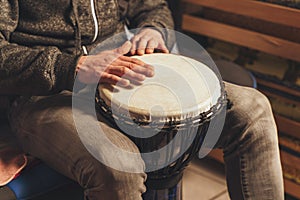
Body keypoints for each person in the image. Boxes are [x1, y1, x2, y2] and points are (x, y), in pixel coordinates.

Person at [0, 0, 284, 199]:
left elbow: (152, 7)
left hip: (126, 68)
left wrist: (153, 28)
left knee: (252, 110)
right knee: (118, 164)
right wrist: (71, 67)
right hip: (43, 92)